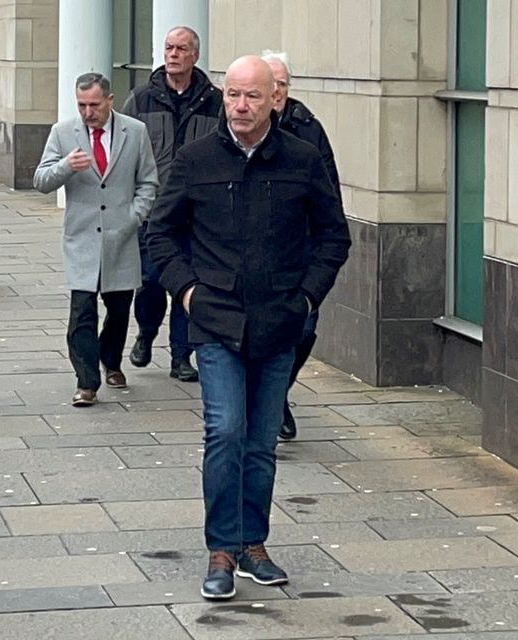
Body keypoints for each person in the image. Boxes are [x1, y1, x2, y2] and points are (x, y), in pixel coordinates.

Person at [146, 56, 350, 600]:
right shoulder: (195, 159)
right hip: (214, 324)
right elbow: (161, 235)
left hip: (280, 323)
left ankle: (252, 544)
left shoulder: (302, 161)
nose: (240, 106)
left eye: (252, 96)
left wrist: (306, 299)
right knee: (226, 431)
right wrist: (188, 293)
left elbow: (334, 236)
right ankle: (220, 550)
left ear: (273, 100)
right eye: (232, 95)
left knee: (260, 443)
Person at [34, 72, 158, 407]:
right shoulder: (63, 133)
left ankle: (111, 361)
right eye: (82, 105)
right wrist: (65, 167)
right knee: (82, 314)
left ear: (109, 101)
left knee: (118, 311)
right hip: (82, 239)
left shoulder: (135, 131)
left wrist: (135, 215)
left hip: (121, 235)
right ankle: (86, 381)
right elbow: (41, 180)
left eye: (94, 105)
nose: (88, 112)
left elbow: (148, 181)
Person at [121, 25, 222, 383]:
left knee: (190, 284)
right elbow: (124, 152)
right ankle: (147, 332)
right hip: (154, 212)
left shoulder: (215, 102)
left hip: (198, 216)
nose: (173, 54)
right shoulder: (141, 99)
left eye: (181, 48)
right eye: (168, 47)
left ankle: (182, 355)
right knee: (149, 283)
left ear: (195, 55)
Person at [261, 52, 342, 441]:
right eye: (269, 84)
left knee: (305, 328)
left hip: (303, 251)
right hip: (257, 253)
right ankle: (270, 400)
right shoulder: (237, 127)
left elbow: (330, 195)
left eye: (282, 84)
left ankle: (276, 393)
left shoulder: (309, 129)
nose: (275, 92)